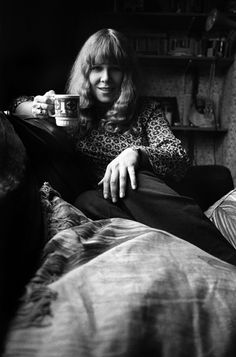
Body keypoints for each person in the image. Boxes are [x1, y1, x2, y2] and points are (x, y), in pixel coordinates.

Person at [11, 28, 236, 265]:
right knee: (86, 201)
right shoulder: (73, 111)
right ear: (86, 73)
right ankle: (167, 250)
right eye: (97, 68)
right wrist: (36, 107)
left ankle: (227, 258)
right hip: (104, 202)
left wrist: (135, 154)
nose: (106, 77)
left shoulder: (146, 110)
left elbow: (177, 155)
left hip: (147, 193)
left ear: (125, 74)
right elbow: (16, 105)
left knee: (129, 180)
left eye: (114, 68)